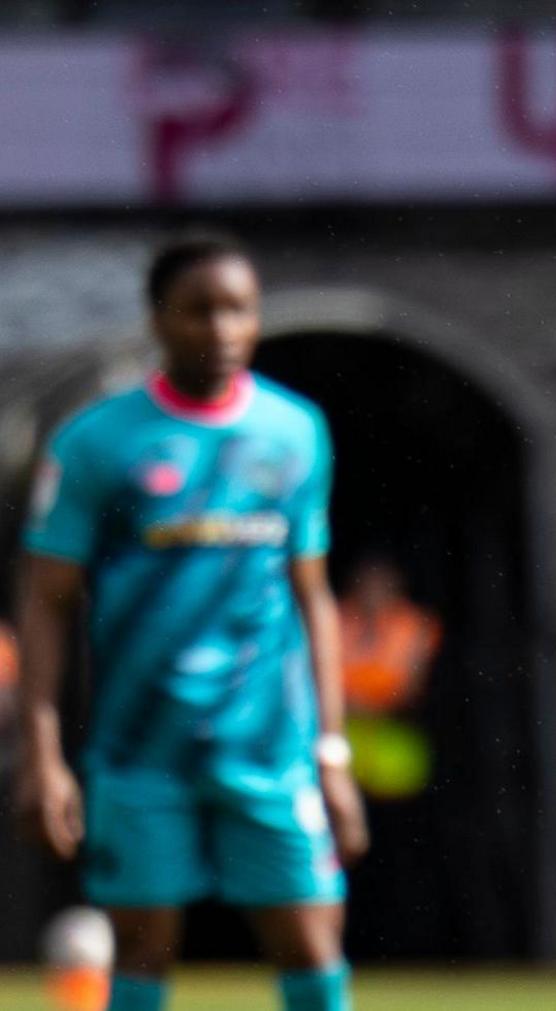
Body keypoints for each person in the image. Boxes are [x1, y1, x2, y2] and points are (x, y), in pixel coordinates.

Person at [12, 234, 366, 1011]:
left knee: (311, 943)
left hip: (269, 747)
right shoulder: (97, 441)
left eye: (239, 309)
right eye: (199, 310)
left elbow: (312, 594)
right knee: (140, 948)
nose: (223, 330)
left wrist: (331, 751)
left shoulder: (295, 431)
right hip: (141, 747)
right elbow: (46, 598)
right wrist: (41, 752)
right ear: (158, 320)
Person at [338, 555, 439, 800]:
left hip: (390, 735)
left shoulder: (416, 627)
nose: (373, 593)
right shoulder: (334, 619)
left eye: (382, 586)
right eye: (367, 585)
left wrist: (371, 704)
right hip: (341, 731)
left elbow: (413, 692)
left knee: (403, 767)